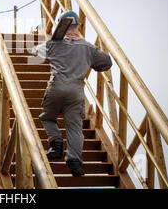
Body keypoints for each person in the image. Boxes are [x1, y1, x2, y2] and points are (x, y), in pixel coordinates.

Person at [31, 10, 112, 176]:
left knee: (47, 117)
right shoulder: (88, 47)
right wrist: (93, 64)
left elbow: (34, 52)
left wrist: (54, 42)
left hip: (56, 86)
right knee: (75, 128)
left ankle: (56, 144)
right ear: (78, 26)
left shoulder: (53, 44)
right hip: (76, 91)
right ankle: (74, 161)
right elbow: (106, 62)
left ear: (60, 25)